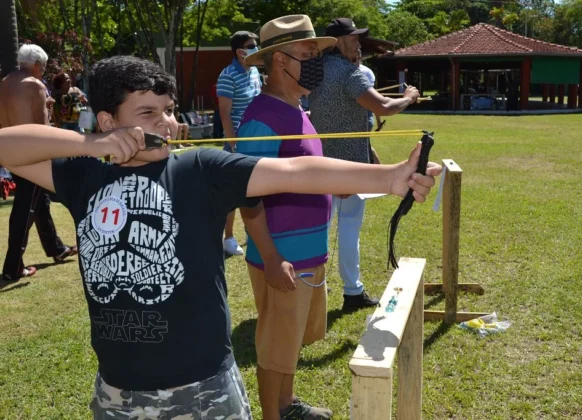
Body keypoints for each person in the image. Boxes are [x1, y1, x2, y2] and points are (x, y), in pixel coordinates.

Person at [0, 54, 440, 419]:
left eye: (170, 110)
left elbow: (294, 171)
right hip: (117, 391)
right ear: (107, 119)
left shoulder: (200, 169)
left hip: (203, 388)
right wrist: (88, 144)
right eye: (148, 113)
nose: (167, 123)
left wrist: (391, 176)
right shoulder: (82, 175)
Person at [236, 15, 338, 420]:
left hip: (309, 253)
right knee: (276, 346)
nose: (315, 62)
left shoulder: (297, 109)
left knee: (295, 340)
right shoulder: (261, 119)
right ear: (279, 60)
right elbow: (247, 196)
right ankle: (272, 416)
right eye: (307, 55)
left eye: (316, 54)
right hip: (282, 256)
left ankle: (287, 404)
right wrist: (273, 257)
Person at [309, 18, 420, 311]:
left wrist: (368, 149)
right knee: (347, 229)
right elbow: (383, 107)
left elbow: (338, 115)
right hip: (348, 168)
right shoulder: (351, 73)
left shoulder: (314, 71)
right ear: (336, 42)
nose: (359, 43)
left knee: (318, 228)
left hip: (318, 160)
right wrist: (408, 98)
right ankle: (352, 292)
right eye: (353, 38)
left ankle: (313, 288)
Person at [0, 44, 77, 282]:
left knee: (38, 199)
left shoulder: (5, 82)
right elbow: (43, 127)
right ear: (36, 64)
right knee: (26, 206)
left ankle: (56, 248)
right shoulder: (35, 85)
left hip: (8, 147)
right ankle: (13, 267)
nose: (43, 71)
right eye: (43, 66)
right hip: (31, 151)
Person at [216, 31, 263, 257]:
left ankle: (254, 233)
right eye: (252, 45)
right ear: (239, 51)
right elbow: (225, 114)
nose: (256, 48)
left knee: (258, 189)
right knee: (233, 193)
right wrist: (233, 144)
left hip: (258, 140)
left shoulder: (254, 71)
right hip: (237, 143)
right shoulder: (228, 75)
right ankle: (228, 238)